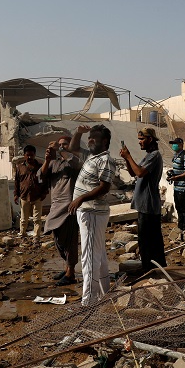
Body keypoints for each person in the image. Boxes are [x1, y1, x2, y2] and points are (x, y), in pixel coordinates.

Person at [68, 125, 114, 305]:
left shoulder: (105, 160)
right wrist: (78, 132)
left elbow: (104, 187)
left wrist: (80, 199)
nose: (90, 140)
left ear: (104, 141)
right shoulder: (91, 156)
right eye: (90, 137)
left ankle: (89, 302)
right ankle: (105, 294)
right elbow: (72, 148)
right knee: (99, 255)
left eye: (94, 138)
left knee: (89, 258)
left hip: (92, 212)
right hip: (88, 212)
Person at [42, 126, 87, 286]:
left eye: (64, 145)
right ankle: (68, 266)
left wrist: (61, 151)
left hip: (69, 206)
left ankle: (71, 273)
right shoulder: (55, 163)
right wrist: (47, 159)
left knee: (69, 240)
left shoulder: (75, 160)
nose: (61, 147)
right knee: (58, 239)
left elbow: (75, 164)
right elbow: (41, 176)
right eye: (59, 144)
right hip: (56, 206)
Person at [120, 127, 166, 270]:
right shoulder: (148, 156)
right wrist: (126, 159)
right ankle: (153, 268)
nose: (139, 142)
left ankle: (151, 269)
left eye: (141, 139)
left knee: (148, 241)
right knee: (147, 240)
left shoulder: (154, 155)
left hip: (149, 205)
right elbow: (133, 173)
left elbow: (139, 173)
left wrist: (128, 157)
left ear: (150, 139)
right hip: (145, 205)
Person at [13, 145, 47, 239]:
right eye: (27, 155)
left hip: (37, 196)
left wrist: (44, 193)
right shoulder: (20, 167)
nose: (29, 157)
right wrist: (16, 194)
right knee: (24, 219)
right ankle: (22, 234)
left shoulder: (40, 167)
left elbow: (45, 180)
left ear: (35, 155)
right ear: (24, 155)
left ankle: (36, 236)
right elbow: (17, 182)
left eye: (31, 155)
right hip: (24, 196)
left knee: (37, 219)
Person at [167, 137, 185, 242]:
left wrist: (177, 177)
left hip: (183, 187)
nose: (173, 146)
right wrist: (172, 173)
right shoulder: (176, 156)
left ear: (181, 145)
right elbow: (178, 169)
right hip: (176, 186)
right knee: (178, 207)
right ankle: (180, 227)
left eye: (175, 144)